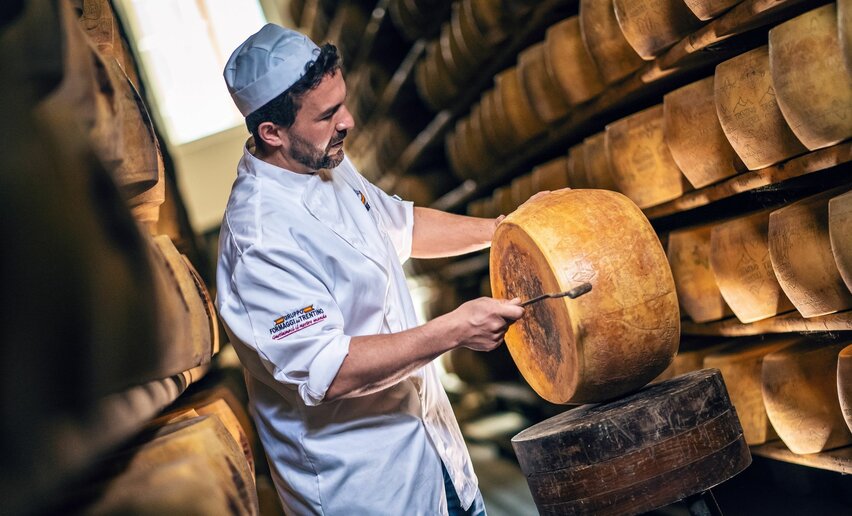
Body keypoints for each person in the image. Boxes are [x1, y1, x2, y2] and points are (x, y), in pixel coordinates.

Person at [217, 24, 525, 515]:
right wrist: (452, 330)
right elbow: (330, 369)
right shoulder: (259, 237)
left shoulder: (323, 158)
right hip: (366, 489)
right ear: (271, 133)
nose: (348, 121)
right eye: (327, 115)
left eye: (342, 103)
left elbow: (401, 225)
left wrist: (510, 229)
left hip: (435, 455)